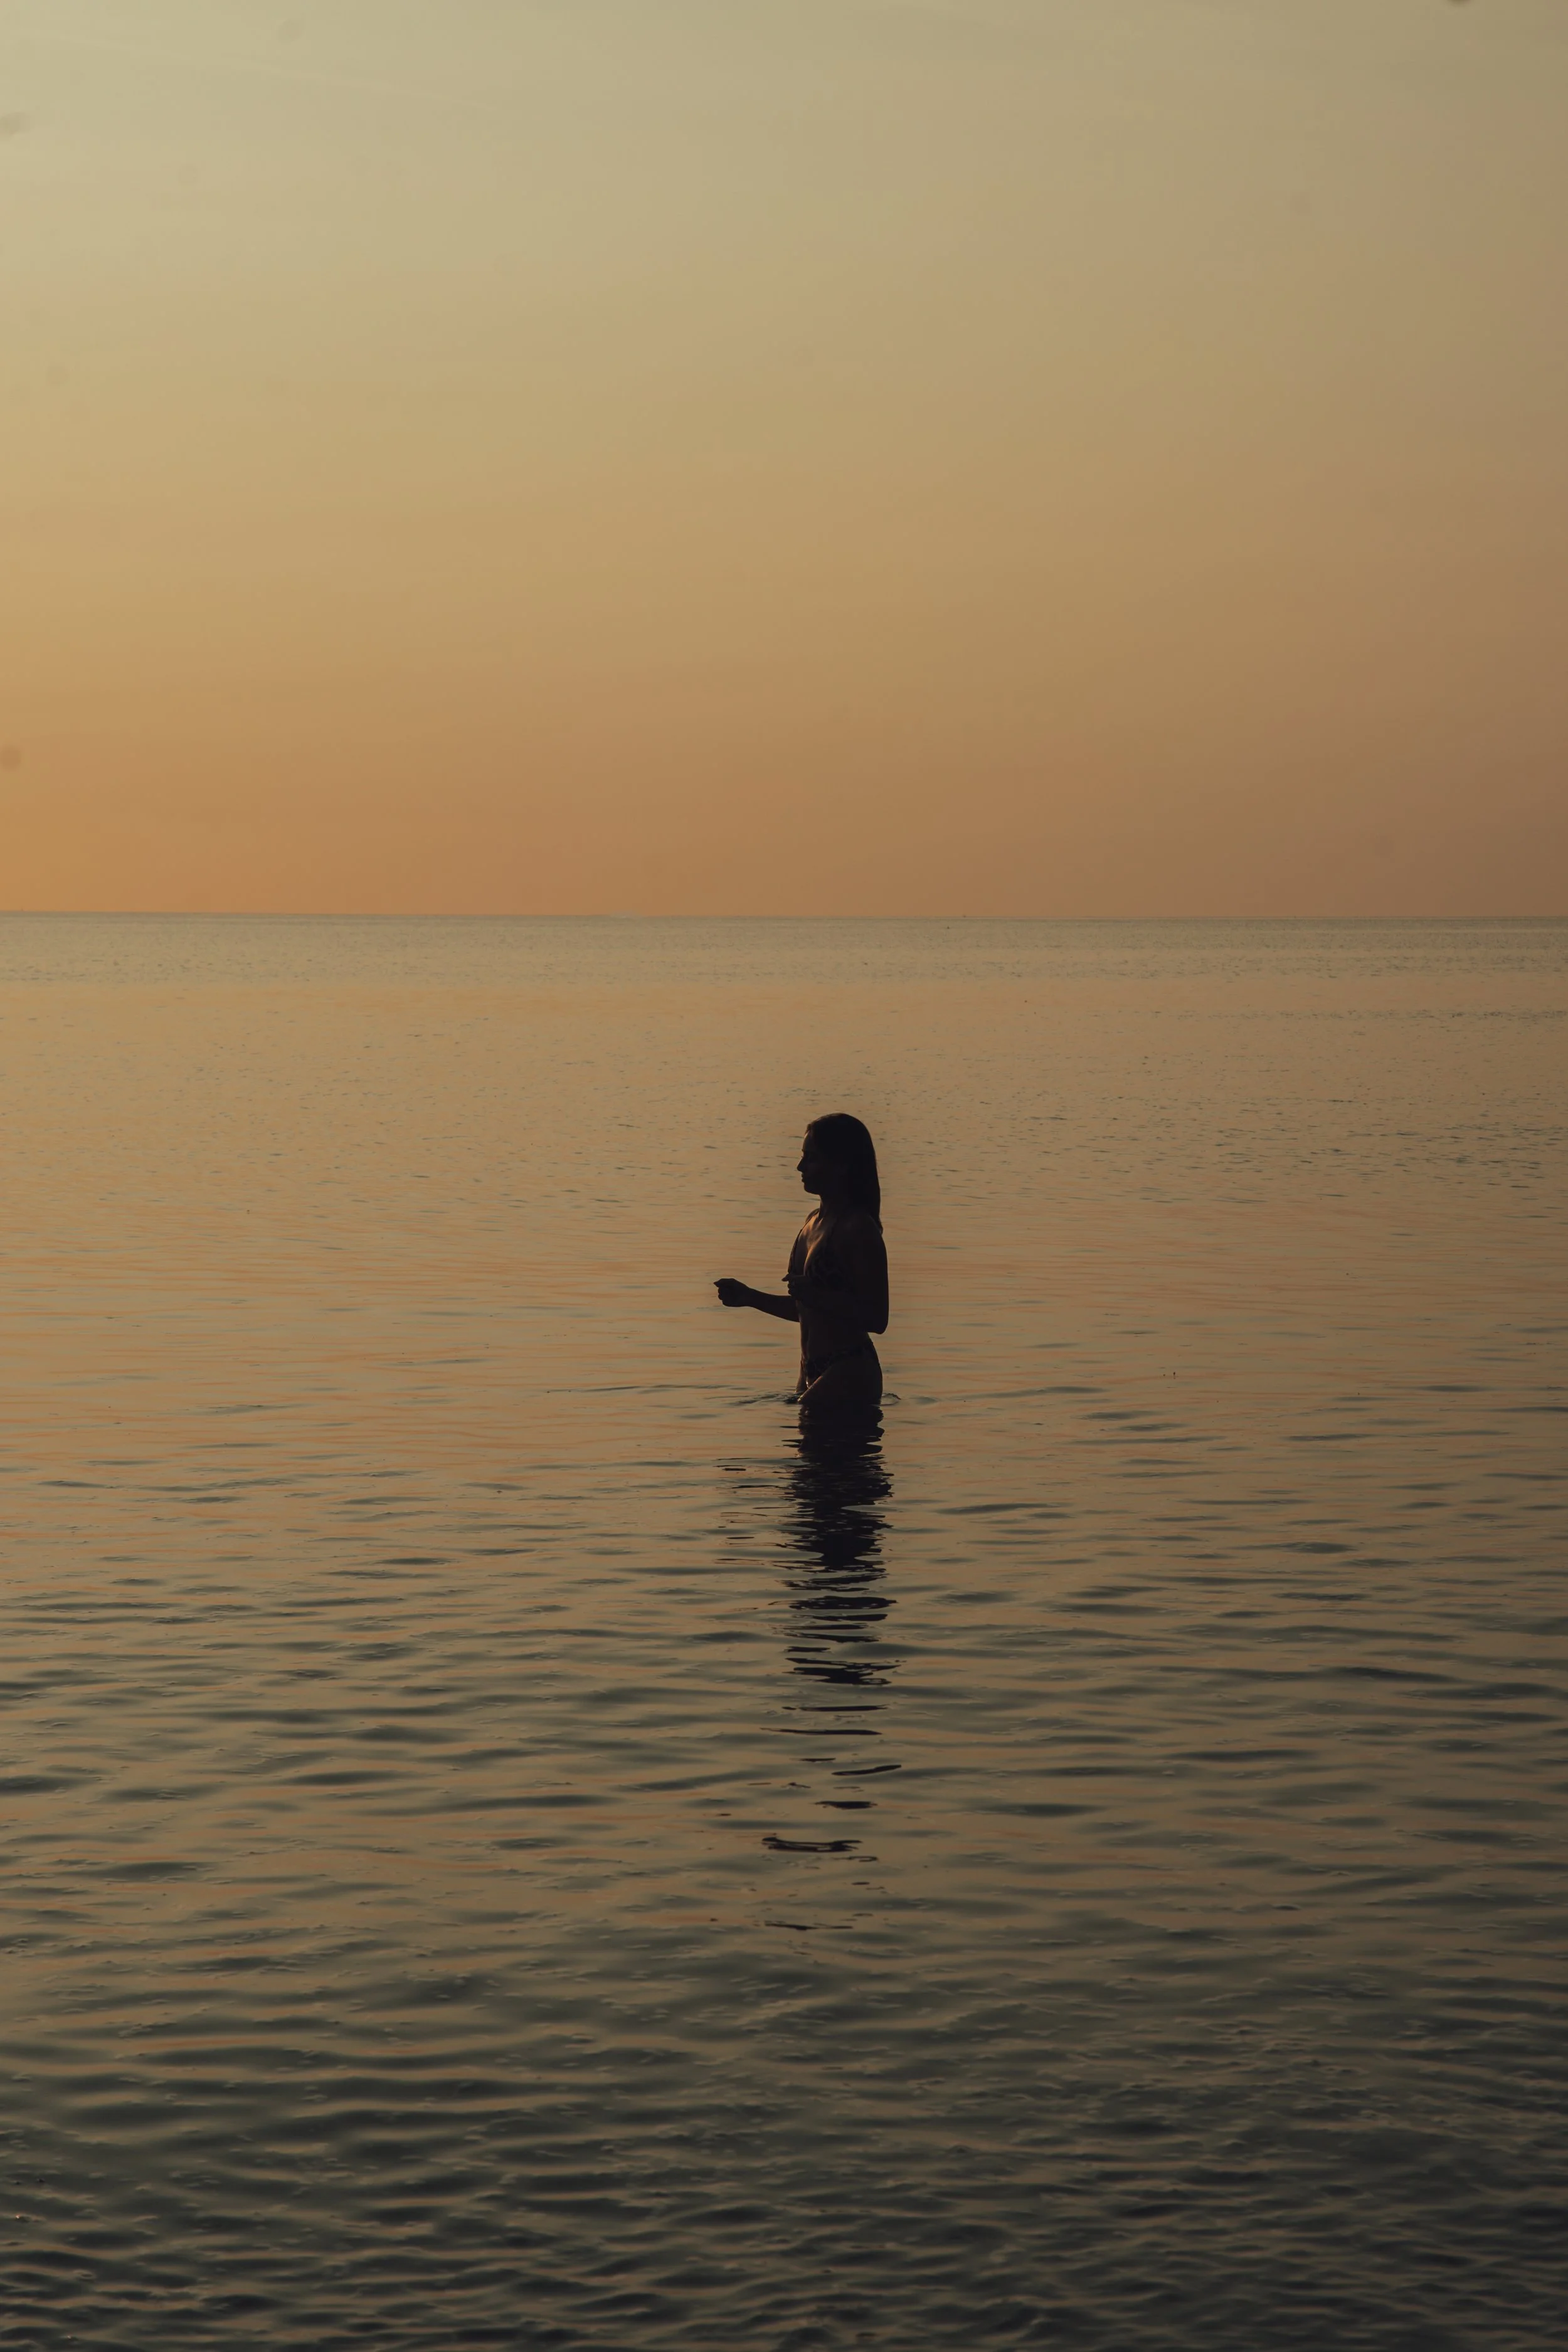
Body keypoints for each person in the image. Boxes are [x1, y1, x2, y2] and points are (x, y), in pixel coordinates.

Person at [715, 1114, 888, 1428]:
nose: (800, 1167)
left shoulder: (858, 1228)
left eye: (811, 1159)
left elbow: (877, 1318)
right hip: (810, 1372)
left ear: (841, 1165)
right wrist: (751, 1297)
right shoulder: (811, 1222)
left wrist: (816, 1295)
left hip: (848, 1370)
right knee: (806, 1474)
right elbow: (805, 1309)